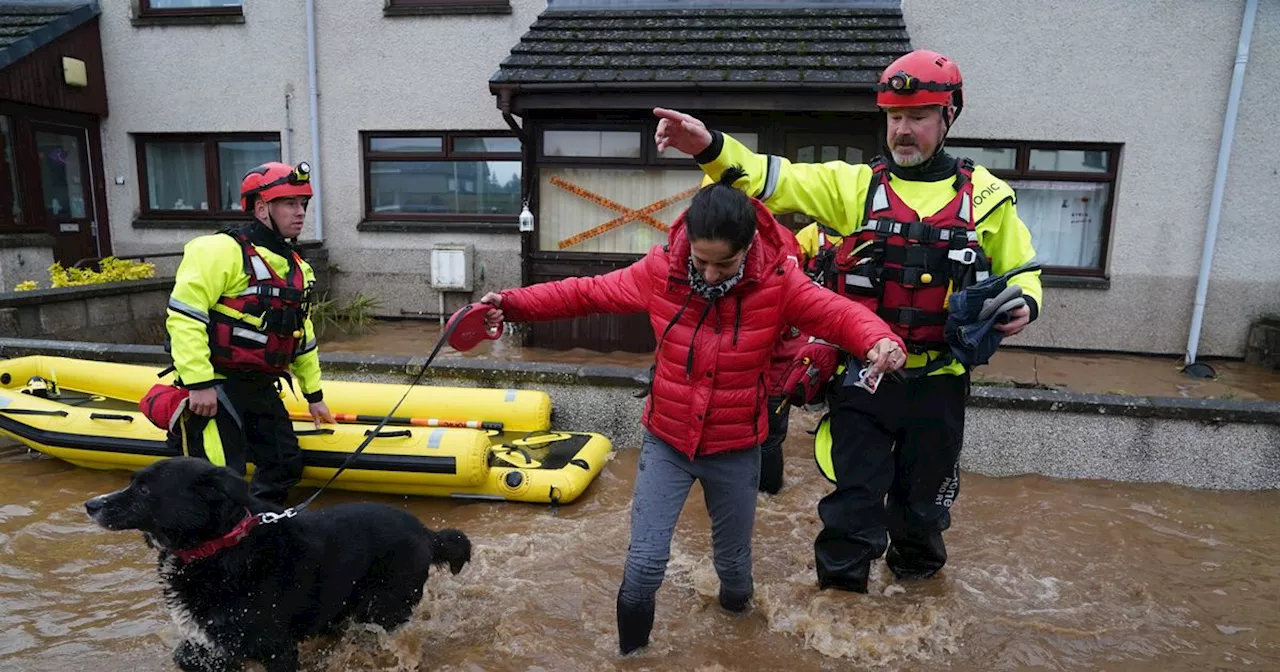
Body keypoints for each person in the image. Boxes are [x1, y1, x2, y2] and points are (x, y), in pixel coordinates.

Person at [654, 48, 1044, 593]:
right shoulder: (856, 187)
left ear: (948, 116)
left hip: (940, 383)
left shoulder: (990, 197)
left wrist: (1025, 302)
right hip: (865, 381)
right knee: (853, 507)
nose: (902, 130)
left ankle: (915, 598)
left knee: (923, 511)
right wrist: (710, 148)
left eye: (917, 117)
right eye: (894, 118)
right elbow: (773, 178)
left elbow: (1022, 272)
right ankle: (841, 610)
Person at [477, 168, 906, 654]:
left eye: (724, 266)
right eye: (701, 262)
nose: (709, 276)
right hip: (667, 441)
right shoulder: (662, 271)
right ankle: (632, 661)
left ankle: (734, 648)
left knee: (735, 573)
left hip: (738, 447)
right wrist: (510, 305)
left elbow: (839, 313)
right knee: (642, 568)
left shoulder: (781, 282)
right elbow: (584, 292)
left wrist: (880, 341)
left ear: (748, 249)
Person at [161, 161, 334, 506]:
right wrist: (199, 384)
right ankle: (205, 550)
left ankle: (256, 535)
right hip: (216, 385)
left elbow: (302, 335)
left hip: (259, 386)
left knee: (285, 465)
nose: (300, 212)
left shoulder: (298, 268)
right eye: (289, 203)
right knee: (219, 479)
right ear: (260, 208)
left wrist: (313, 395)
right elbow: (184, 318)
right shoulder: (219, 251)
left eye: (303, 204)